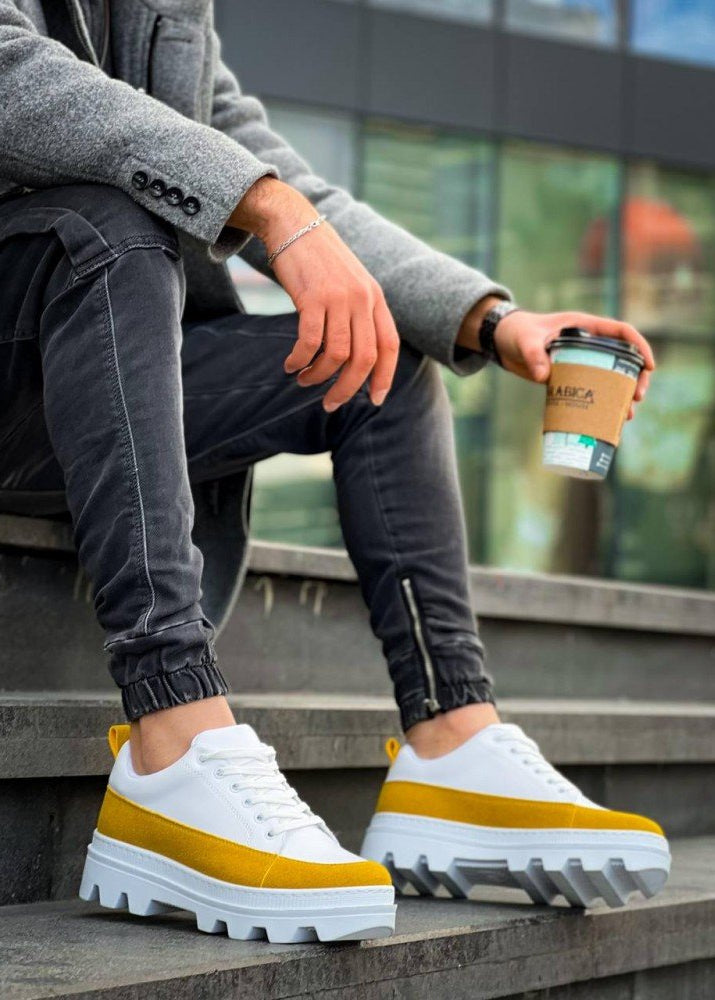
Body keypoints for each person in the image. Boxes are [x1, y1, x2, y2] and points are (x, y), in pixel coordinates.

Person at [0, 0, 668, 944]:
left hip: (109, 362)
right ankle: (172, 732)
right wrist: (266, 207)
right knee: (107, 221)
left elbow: (284, 176)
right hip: (26, 335)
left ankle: (451, 740)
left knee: (375, 356)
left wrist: (488, 318)